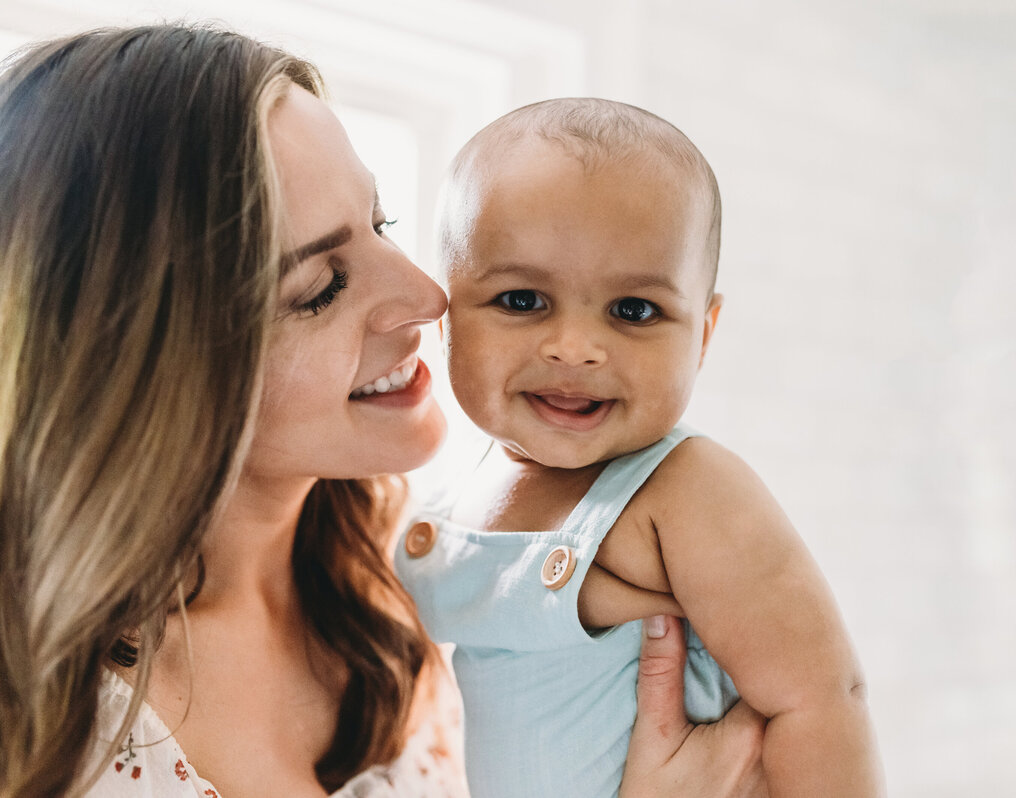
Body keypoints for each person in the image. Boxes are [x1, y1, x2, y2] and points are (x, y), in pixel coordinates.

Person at [0, 25, 766, 798]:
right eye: (319, 289)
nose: (426, 298)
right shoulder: (42, 723)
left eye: (381, 223)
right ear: (143, 364)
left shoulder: (414, 596)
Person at [394, 98, 886, 797]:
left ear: (704, 335)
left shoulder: (686, 491)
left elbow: (823, 698)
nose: (574, 348)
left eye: (634, 311)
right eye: (522, 300)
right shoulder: (449, 499)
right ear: (446, 311)